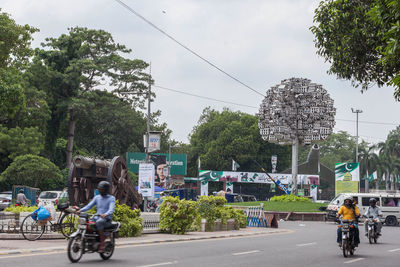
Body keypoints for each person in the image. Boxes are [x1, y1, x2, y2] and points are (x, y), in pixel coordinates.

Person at [78, 181, 115, 253]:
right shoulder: (97, 197)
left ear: (106, 190)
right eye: (99, 189)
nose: (100, 191)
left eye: (102, 189)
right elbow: (89, 206)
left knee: (99, 222)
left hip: (106, 219)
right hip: (97, 217)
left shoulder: (111, 198)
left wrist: (106, 214)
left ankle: (102, 243)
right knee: (86, 222)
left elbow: (111, 209)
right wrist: (80, 210)